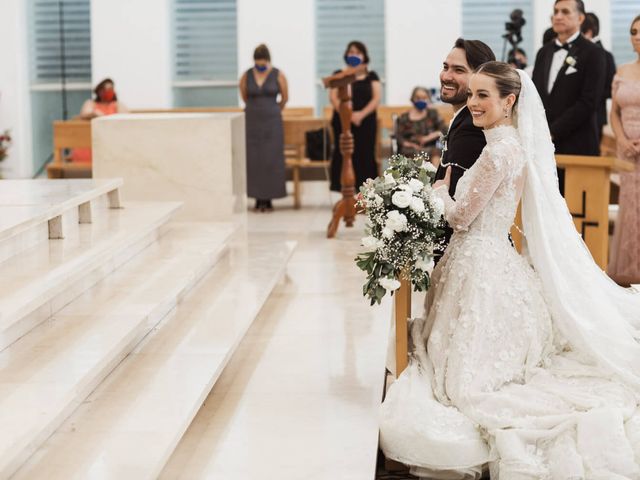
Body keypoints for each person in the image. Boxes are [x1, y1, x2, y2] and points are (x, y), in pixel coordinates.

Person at [379, 61, 640, 479]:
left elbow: (462, 217)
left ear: (509, 101)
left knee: (464, 382)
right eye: (473, 94)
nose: (474, 103)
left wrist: (437, 192)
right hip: (487, 258)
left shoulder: (498, 152)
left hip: (478, 263)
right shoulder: (512, 144)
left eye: (485, 95)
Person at [532, 0, 606, 195]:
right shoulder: (543, 53)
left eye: (565, 12)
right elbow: (535, 98)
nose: (558, 16)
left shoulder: (594, 53)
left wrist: (553, 132)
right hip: (543, 149)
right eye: (555, 11)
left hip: (577, 146)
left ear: (580, 18)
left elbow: (589, 102)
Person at [433, 38, 495, 254]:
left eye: (458, 70)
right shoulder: (464, 119)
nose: (446, 76)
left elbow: (457, 201)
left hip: (467, 252)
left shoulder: (471, 127)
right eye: (445, 67)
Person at [608, 14, 640, 286]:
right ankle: (629, 270)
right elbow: (614, 113)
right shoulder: (622, 71)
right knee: (629, 207)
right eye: (633, 31)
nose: (637, 36)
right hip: (627, 150)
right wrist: (621, 139)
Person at [240, 44, 288, 212]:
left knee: (271, 159)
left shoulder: (278, 74)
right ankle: (257, 198)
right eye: (257, 62)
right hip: (252, 120)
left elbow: (284, 97)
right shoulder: (247, 75)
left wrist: (272, 110)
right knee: (254, 160)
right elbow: (245, 96)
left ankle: (268, 199)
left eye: (263, 62)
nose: (260, 65)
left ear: (268, 60)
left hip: (272, 121)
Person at [329, 41, 381, 192]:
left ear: (364, 56)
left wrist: (360, 115)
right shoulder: (339, 74)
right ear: (346, 55)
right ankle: (345, 192)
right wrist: (348, 115)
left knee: (365, 154)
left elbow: (376, 98)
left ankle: (366, 193)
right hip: (343, 121)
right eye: (351, 52)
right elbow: (333, 98)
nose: (354, 55)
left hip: (365, 121)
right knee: (343, 154)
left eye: (358, 52)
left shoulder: (372, 76)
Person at [71, 78, 127, 163]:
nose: (109, 92)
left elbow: (126, 115)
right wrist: (96, 113)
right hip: (92, 141)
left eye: (111, 89)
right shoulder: (91, 103)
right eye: (106, 89)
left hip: (111, 140)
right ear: (99, 91)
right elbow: (85, 113)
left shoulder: (116, 105)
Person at [582, 11, 617, 144]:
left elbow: (611, 89)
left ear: (589, 32)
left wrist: (589, 94)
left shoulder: (605, 55)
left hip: (596, 114)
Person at [395, 87, 446, 159]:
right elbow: (398, 137)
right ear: (413, 98)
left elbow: (444, 130)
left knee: (436, 152)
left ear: (428, 99)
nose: (421, 100)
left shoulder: (432, 114)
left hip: (430, 148)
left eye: (424, 98)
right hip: (410, 149)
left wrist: (428, 137)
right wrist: (410, 144)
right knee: (411, 153)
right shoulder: (404, 118)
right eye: (418, 98)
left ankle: (434, 170)